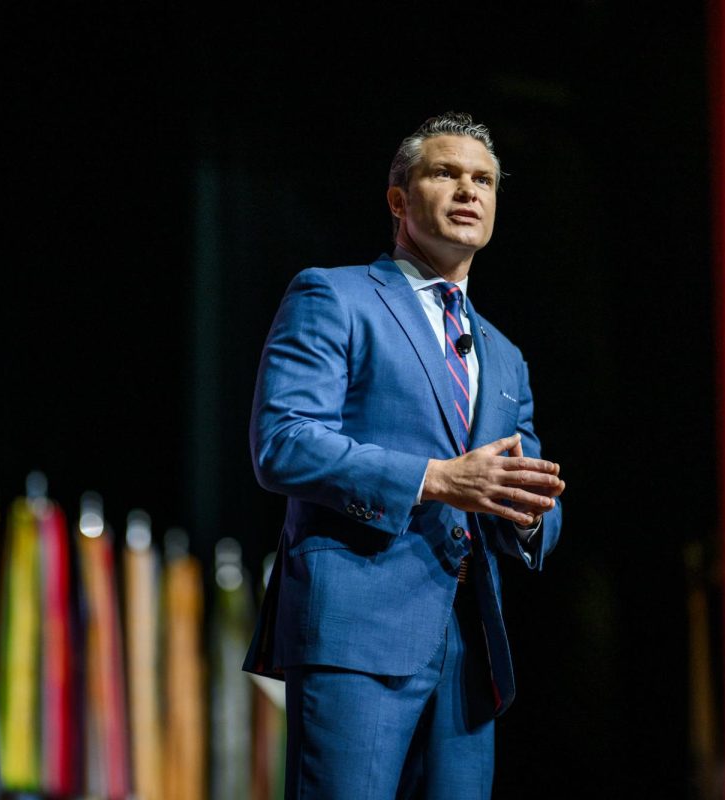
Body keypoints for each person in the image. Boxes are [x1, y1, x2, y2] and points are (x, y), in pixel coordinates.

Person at [243, 111, 566, 797]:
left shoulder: (506, 357)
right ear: (398, 200)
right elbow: (284, 443)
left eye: (483, 180)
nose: (468, 190)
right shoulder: (335, 295)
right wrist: (436, 479)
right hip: (357, 632)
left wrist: (529, 513)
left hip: (470, 653)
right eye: (445, 173)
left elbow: (528, 502)